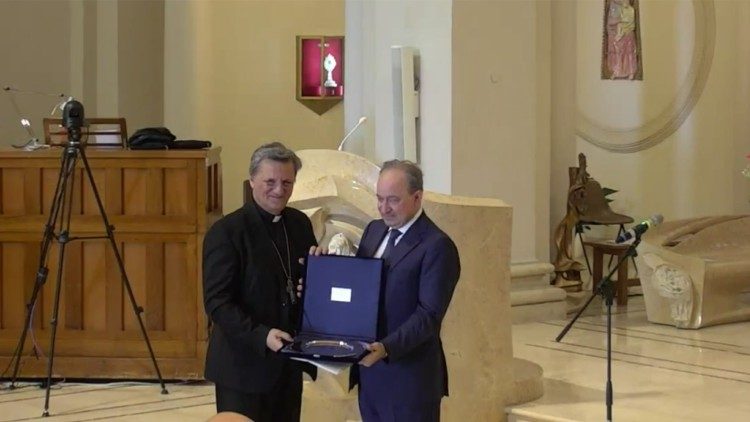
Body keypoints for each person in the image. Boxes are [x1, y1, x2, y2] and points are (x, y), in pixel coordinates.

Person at [202, 142, 319, 422]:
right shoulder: (227, 232)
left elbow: (302, 282)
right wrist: (261, 335)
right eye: (270, 181)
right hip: (242, 367)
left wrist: (319, 273)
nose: (279, 190)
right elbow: (217, 303)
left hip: (286, 365)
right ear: (252, 179)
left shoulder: (299, 224)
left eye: (287, 182)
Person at [350, 159, 461, 421]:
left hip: (409, 380)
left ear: (417, 197)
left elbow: (429, 316)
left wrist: (386, 348)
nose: (383, 208)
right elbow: (359, 286)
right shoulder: (374, 230)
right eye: (379, 199)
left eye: (393, 200)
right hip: (370, 374)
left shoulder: (438, 246)